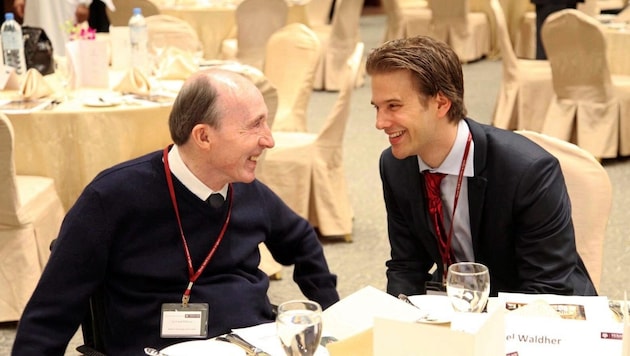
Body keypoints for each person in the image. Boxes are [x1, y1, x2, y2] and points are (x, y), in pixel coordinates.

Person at [12, 69, 340, 355]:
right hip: (156, 349)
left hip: (250, 342)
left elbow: (301, 240)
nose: (268, 140)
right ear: (203, 137)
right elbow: (51, 310)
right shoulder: (112, 197)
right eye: (254, 126)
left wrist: (333, 316)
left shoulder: (246, 189)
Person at [365, 35, 596, 298]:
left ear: (441, 103)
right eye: (377, 107)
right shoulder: (395, 165)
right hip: (456, 303)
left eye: (393, 106)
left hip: (533, 311)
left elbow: (547, 288)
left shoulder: (527, 171)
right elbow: (406, 265)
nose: (380, 122)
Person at [13, 0, 113, 55]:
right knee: (36, 40)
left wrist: (84, 2)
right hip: (36, 4)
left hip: (64, 5)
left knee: (62, 38)